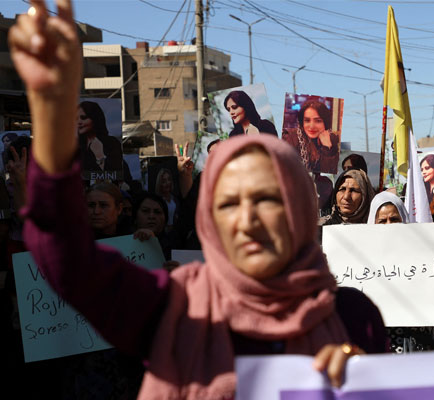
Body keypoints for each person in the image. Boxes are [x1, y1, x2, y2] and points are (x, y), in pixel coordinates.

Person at [10, 3, 385, 397]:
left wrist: (361, 384)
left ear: (301, 208)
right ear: (207, 220)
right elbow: (65, 256)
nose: (248, 220)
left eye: (268, 200)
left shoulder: (353, 319)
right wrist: (53, 109)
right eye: (227, 204)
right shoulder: (173, 308)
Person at [282, 99, 341, 173]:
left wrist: (327, 148)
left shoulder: (332, 140)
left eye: (318, 121)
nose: (312, 126)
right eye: (307, 120)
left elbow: (329, 173)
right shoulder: (290, 139)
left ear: (325, 123)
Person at [77, 100, 123, 175]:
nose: (79, 122)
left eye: (83, 117)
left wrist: (99, 155)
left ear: (95, 118)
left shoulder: (112, 143)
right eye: (76, 118)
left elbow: (116, 174)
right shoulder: (74, 146)